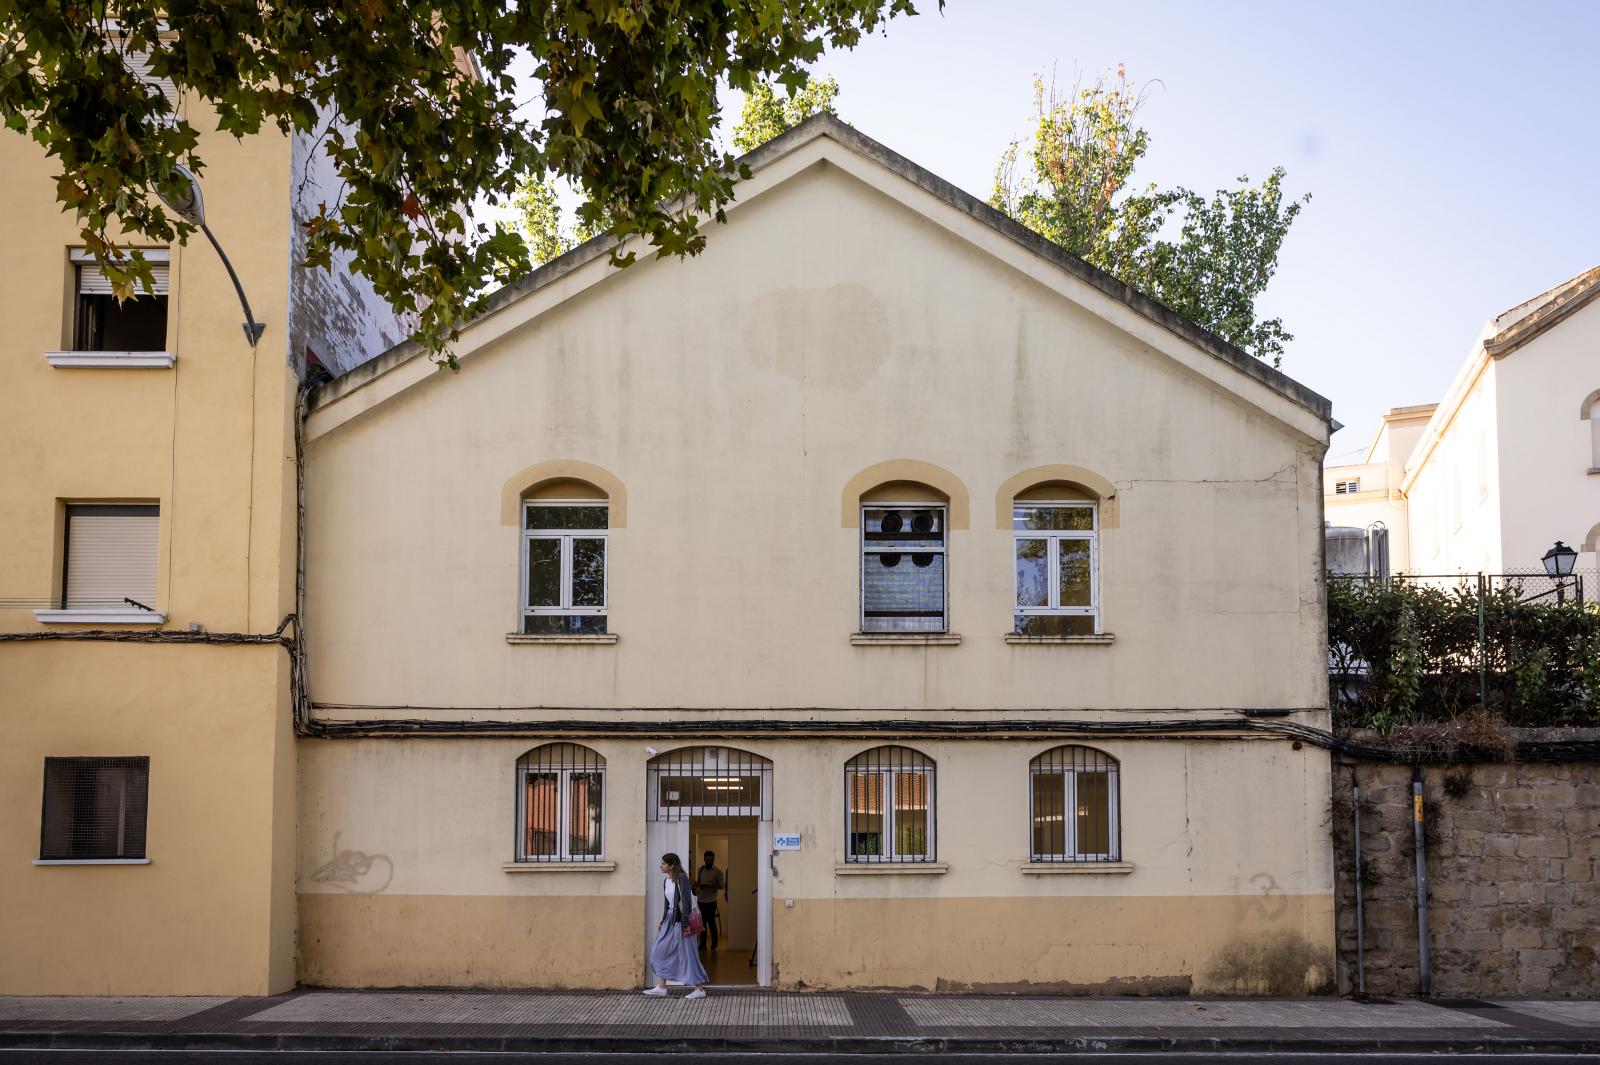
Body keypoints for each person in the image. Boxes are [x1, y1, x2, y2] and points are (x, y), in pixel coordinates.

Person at [644, 852, 709, 999]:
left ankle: (700, 989)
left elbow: (686, 902)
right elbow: (668, 904)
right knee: (660, 951)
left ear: (672, 865)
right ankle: (662, 987)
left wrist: (685, 923)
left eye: (663, 864)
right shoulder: (667, 880)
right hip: (670, 921)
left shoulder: (682, 879)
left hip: (681, 922)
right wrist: (662, 921)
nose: (661, 866)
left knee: (688, 954)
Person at [694, 850, 727, 952]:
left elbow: (722, 885)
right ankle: (702, 945)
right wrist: (696, 885)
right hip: (700, 900)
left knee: (711, 922)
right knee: (702, 924)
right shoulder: (700, 869)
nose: (709, 861)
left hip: (711, 901)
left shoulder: (717, 871)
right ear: (704, 859)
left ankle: (714, 944)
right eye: (707, 859)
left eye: (711, 859)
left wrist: (710, 886)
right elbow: (698, 883)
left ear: (713, 859)